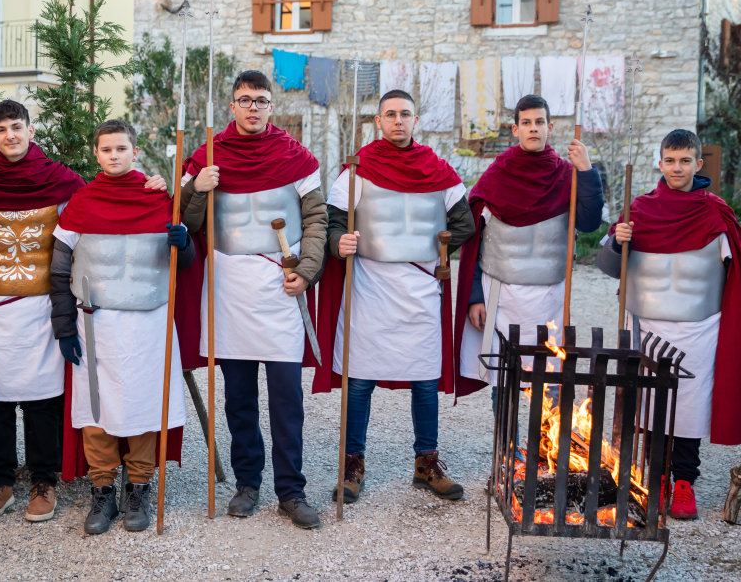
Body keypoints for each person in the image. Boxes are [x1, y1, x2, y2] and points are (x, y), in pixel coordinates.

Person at [177, 70, 328, 530]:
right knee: (238, 398)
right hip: (228, 286)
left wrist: (308, 270)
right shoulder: (206, 157)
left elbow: (317, 219)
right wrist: (195, 189)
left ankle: (291, 490)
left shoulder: (296, 157)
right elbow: (187, 224)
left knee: (286, 398)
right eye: (245, 100)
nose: (253, 108)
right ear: (232, 106)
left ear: (270, 106)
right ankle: (247, 484)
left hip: (281, 284)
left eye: (261, 100)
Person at [313, 90, 476, 504]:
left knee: (424, 380)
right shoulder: (356, 170)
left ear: (415, 120)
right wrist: (338, 242)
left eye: (405, 114)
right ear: (379, 122)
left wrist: (435, 252)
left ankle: (427, 463)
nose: (398, 121)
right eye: (391, 114)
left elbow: (465, 224)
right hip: (369, 284)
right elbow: (332, 221)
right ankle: (352, 464)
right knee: (361, 378)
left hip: (421, 287)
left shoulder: (442, 172)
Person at [595, 129, 741, 519]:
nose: (677, 167)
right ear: (660, 163)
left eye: (685, 161)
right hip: (647, 325)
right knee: (649, 407)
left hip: (699, 326)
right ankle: (656, 478)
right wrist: (618, 240)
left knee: (689, 406)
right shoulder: (639, 210)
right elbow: (608, 267)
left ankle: (683, 481)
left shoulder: (716, 214)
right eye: (670, 160)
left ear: (699, 164)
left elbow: (737, 277)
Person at [49, 119, 190, 534]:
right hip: (96, 321)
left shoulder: (162, 200)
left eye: (121, 149)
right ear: (96, 154)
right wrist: (64, 326)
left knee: (146, 403)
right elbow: (59, 270)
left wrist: (187, 242)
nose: (114, 155)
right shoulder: (81, 204)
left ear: (135, 151)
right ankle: (103, 490)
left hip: (151, 320)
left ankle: (140, 486)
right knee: (96, 405)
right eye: (106, 149)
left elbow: (187, 261)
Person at [0, 100, 84, 523]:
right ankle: (0, 481)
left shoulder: (62, 180)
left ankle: (43, 481)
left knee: (42, 400)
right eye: (0, 129)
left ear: (31, 130)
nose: (10, 136)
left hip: (42, 306)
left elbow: (97, 213)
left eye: (16, 127)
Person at [454, 94, 604, 398]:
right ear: (515, 129)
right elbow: (473, 243)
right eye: (526, 123)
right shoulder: (496, 176)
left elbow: (589, 223)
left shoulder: (567, 174)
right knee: (504, 376)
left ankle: (542, 446)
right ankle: (506, 445)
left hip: (550, 291)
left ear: (550, 127)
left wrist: (587, 171)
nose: (533, 128)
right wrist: (474, 297)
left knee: (549, 374)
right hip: (501, 291)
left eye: (539, 122)